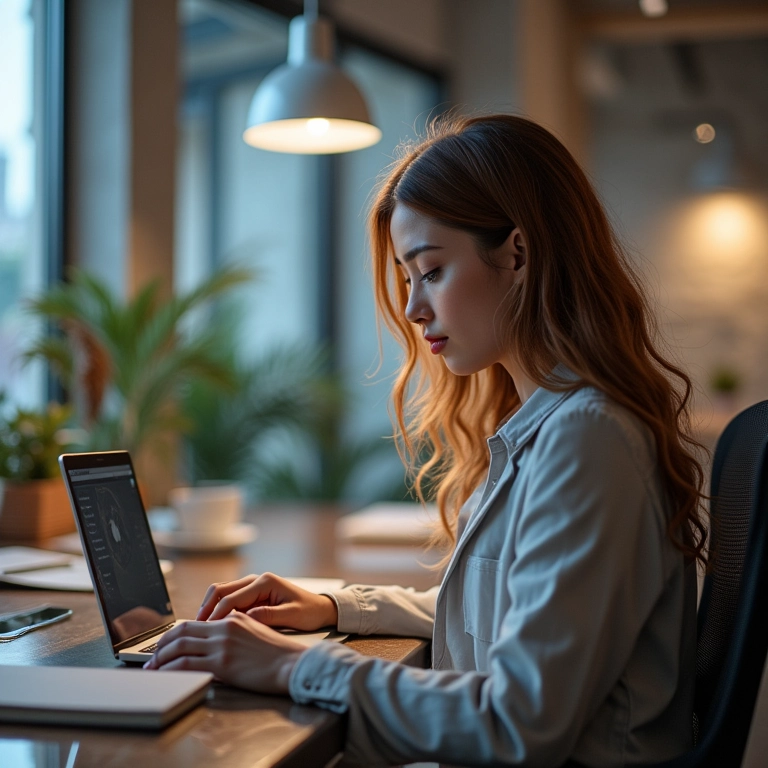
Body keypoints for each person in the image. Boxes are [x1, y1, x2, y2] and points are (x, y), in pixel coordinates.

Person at [145, 114, 708, 767]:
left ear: (518, 254)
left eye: (431, 271)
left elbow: (517, 724)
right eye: (409, 279)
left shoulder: (587, 440)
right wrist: (333, 605)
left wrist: (298, 668)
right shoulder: (555, 424)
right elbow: (506, 608)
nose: (413, 309)